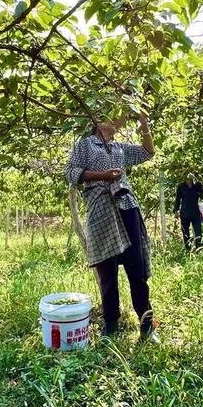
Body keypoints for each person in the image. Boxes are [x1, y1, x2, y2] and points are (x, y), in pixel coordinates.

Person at [66, 112, 157, 341]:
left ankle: (146, 324)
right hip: (100, 209)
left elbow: (148, 152)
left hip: (126, 206)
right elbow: (72, 172)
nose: (116, 119)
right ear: (97, 122)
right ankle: (111, 326)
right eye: (108, 115)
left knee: (136, 266)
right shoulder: (85, 145)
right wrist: (103, 176)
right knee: (107, 270)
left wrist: (143, 122)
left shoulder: (119, 147)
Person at [173, 173, 203, 251]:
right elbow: (177, 199)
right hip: (185, 214)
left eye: (190, 179)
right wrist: (176, 210)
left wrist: (199, 193)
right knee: (185, 233)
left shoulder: (197, 185)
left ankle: (199, 249)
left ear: (192, 179)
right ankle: (188, 250)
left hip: (195, 213)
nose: (188, 181)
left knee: (198, 232)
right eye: (187, 179)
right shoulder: (181, 187)